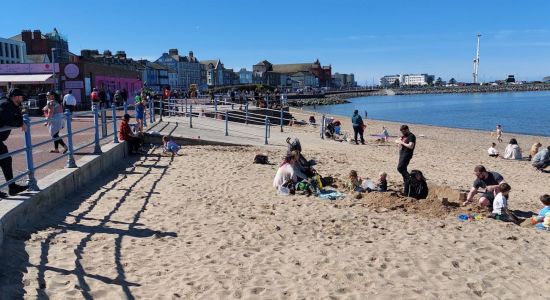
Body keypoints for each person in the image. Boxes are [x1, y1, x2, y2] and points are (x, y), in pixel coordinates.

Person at [0, 88, 29, 197]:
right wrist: (19, 123)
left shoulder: (10, 105)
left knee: (6, 159)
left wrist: (20, 121)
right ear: (15, 97)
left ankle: (12, 187)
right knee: (5, 159)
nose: (22, 99)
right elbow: (10, 121)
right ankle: (12, 187)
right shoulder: (5, 105)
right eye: (21, 97)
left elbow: (17, 116)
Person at [395, 124, 416, 194]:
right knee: (403, 170)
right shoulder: (404, 136)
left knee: (400, 168)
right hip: (402, 154)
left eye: (403, 132)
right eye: (402, 132)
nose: (402, 133)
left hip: (407, 154)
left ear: (407, 129)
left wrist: (402, 142)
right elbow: (399, 143)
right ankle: (406, 190)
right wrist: (398, 141)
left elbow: (411, 146)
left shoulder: (411, 136)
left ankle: (410, 179)